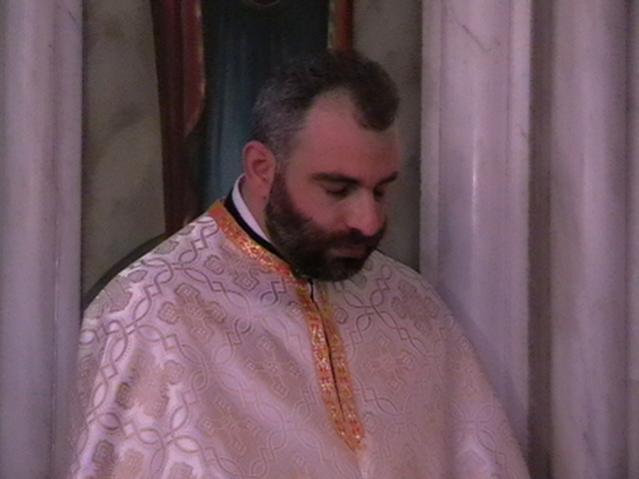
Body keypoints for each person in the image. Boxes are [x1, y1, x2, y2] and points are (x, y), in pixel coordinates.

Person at [69, 50, 529, 478]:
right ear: (262, 168)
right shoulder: (150, 310)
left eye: (381, 189)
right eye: (338, 190)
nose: (369, 221)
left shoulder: (411, 305)